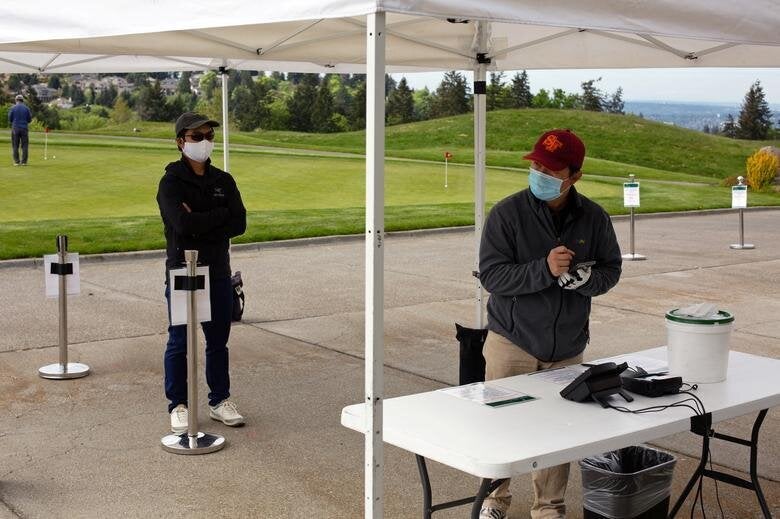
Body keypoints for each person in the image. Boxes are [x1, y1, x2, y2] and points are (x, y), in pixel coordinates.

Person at [477, 129, 622, 519]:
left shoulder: (594, 217)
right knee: (502, 425)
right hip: (512, 343)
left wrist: (587, 281)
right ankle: (495, 499)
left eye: (550, 168)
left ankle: (549, 508)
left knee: (559, 433)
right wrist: (542, 269)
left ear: (574, 176)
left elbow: (611, 270)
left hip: (567, 348)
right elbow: (492, 276)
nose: (539, 171)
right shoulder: (507, 214)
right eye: (536, 164)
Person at [156, 112, 247, 434]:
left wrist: (203, 220)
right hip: (184, 270)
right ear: (181, 142)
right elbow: (181, 225)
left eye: (209, 136)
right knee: (180, 340)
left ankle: (220, 400)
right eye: (197, 137)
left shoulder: (224, 180)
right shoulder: (171, 182)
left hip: (219, 271)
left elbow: (239, 223)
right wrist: (217, 217)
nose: (205, 142)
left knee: (217, 341)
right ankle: (178, 405)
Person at [8, 94, 32, 166]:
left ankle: (17, 162)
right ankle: (24, 162)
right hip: (24, 128)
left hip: (15, 128)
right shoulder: (26, 108)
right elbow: (29, 119)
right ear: (22, 100)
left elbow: (10, 119)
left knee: (15, 145)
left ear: (16, 100)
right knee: (24, 145)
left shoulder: (13, 108)